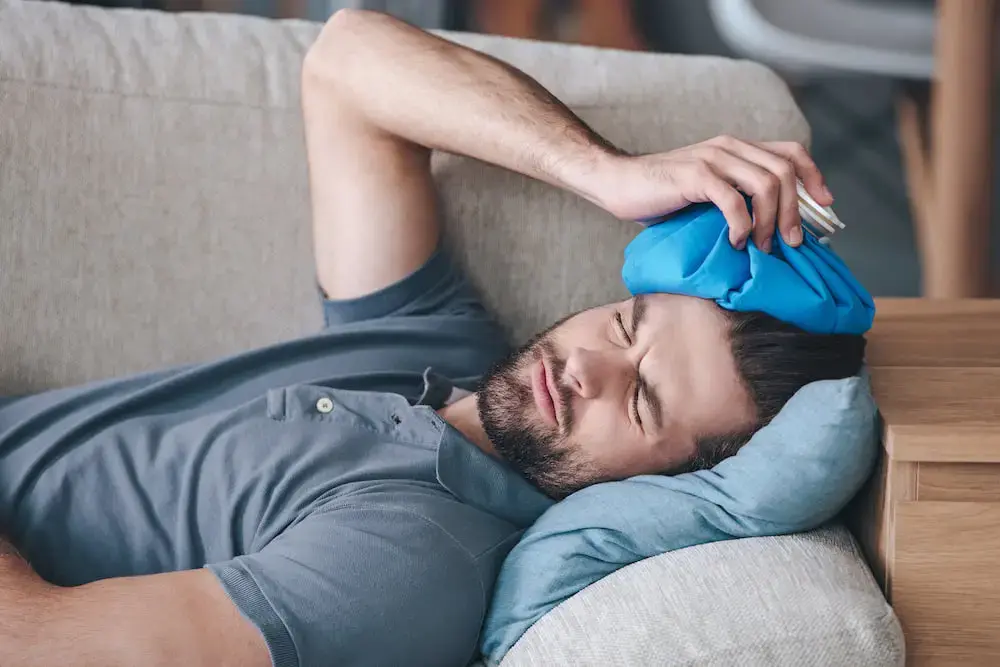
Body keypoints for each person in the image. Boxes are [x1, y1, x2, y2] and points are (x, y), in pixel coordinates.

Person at [0, 9, 865, 667]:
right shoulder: (440, 347)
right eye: (626, 324)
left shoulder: (407, 558)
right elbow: (347, 61)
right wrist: (607, 174)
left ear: (680, 477)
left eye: (640, 400)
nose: (590, 366)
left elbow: (37, 644)